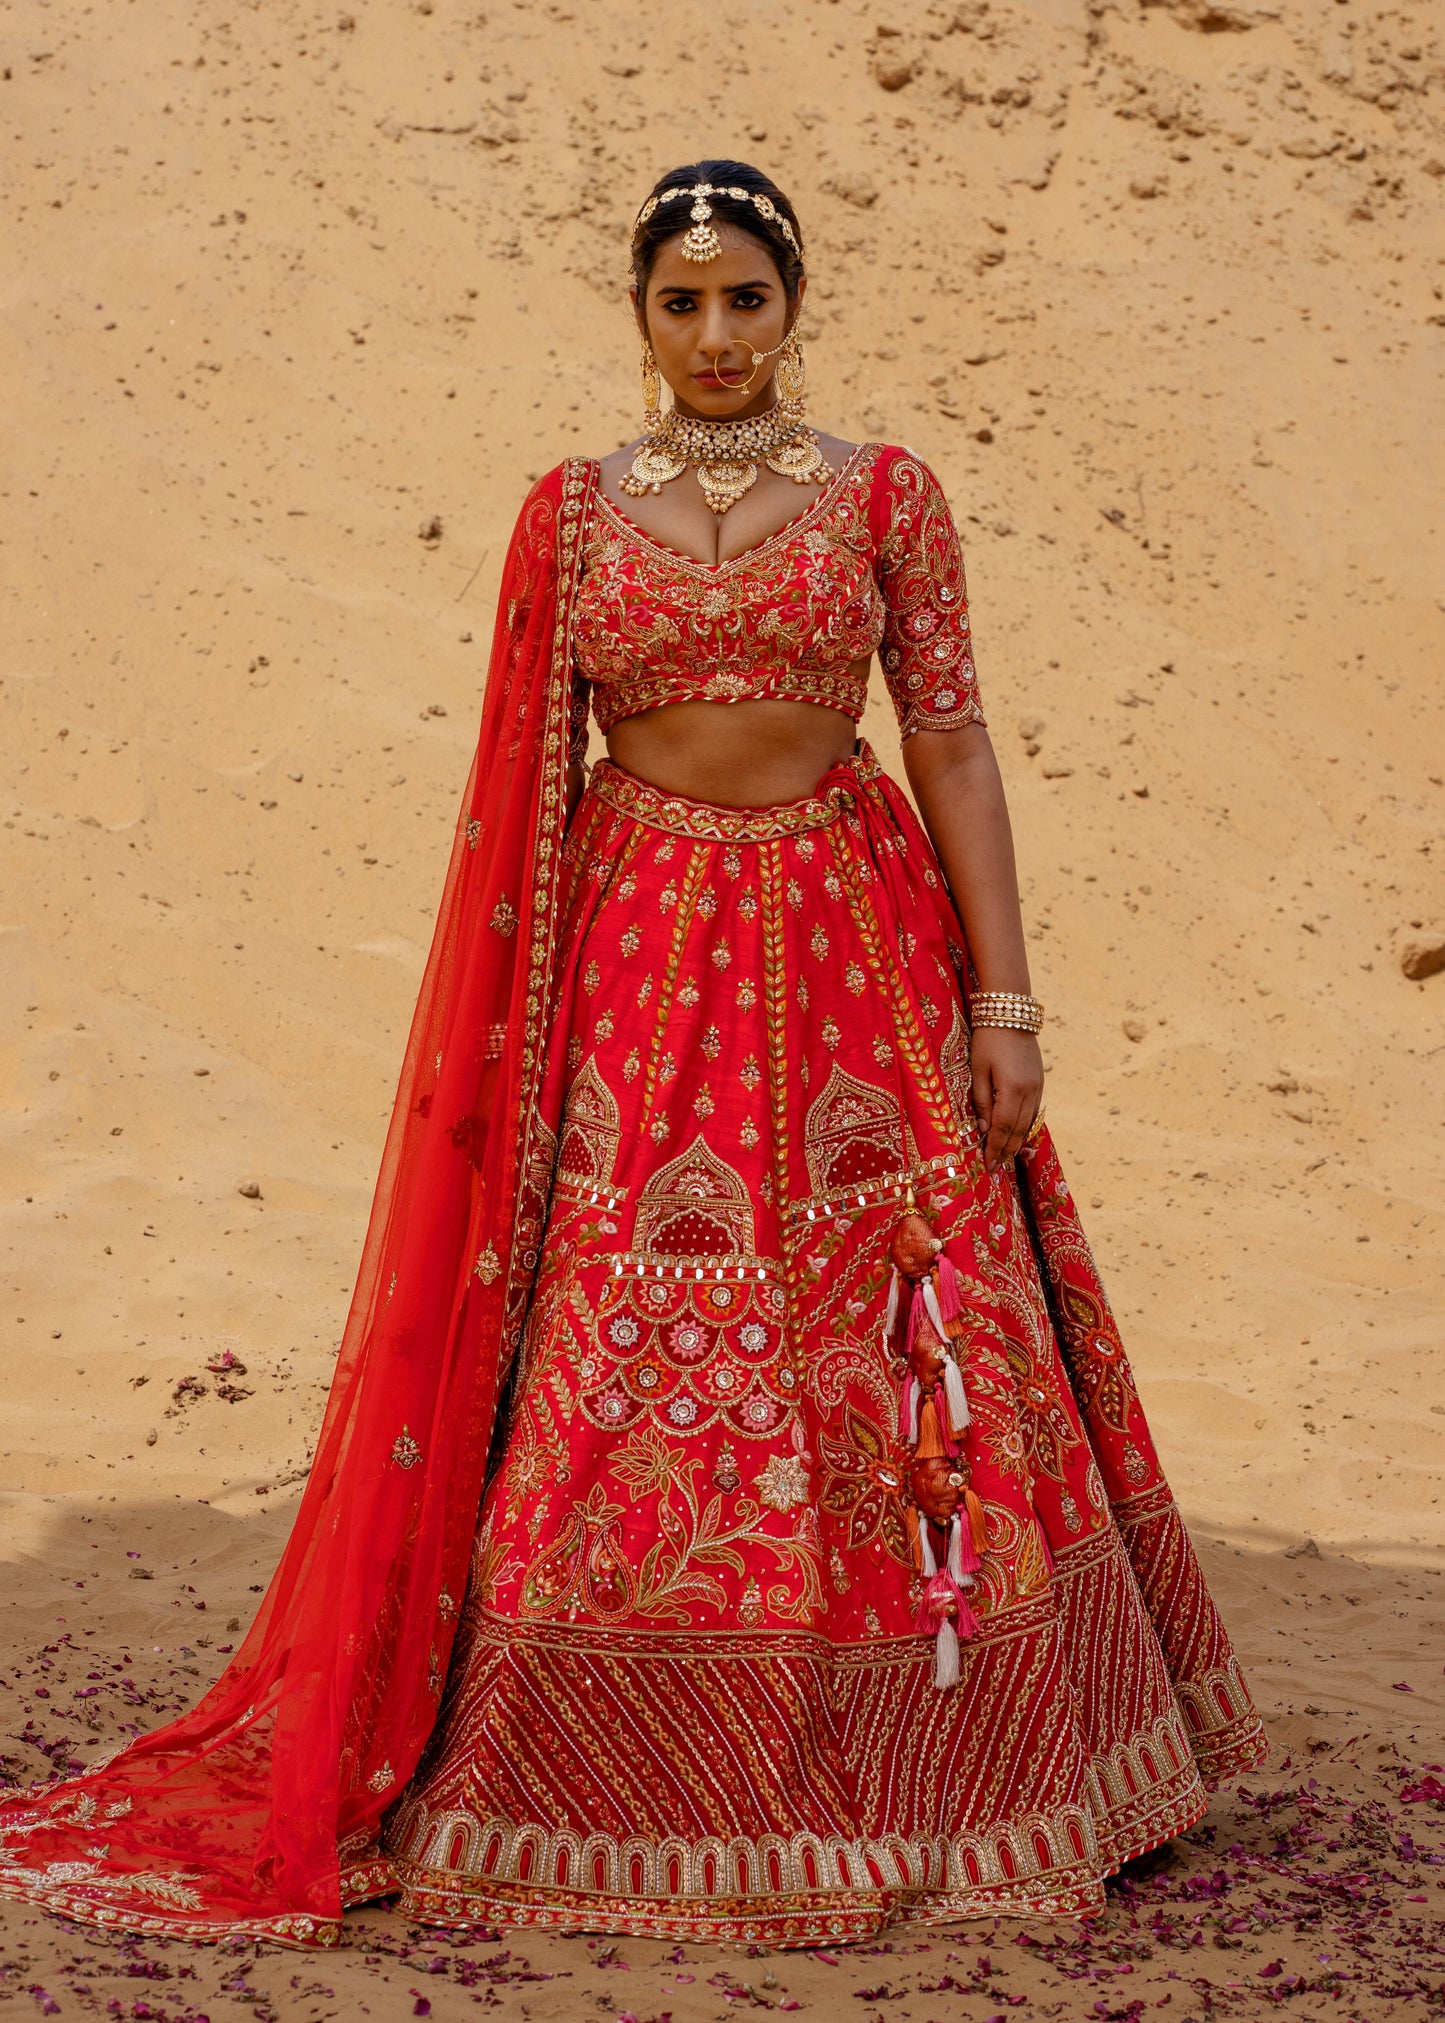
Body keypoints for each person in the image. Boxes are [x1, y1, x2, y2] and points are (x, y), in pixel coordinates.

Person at [0, 161, 1265, 1950]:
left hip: (852, 943)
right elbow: (520, 776)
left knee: (902, 1328)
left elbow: (953, 741)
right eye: (683, 304)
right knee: (611, 1327)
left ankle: (965, 1765)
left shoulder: (886, 495)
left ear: (792, 303)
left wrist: (1006, 1004)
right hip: (637, 959)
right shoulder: (572, 513)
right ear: (640, 317)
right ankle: (584, 1772)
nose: (717, 335)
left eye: (747, 298)